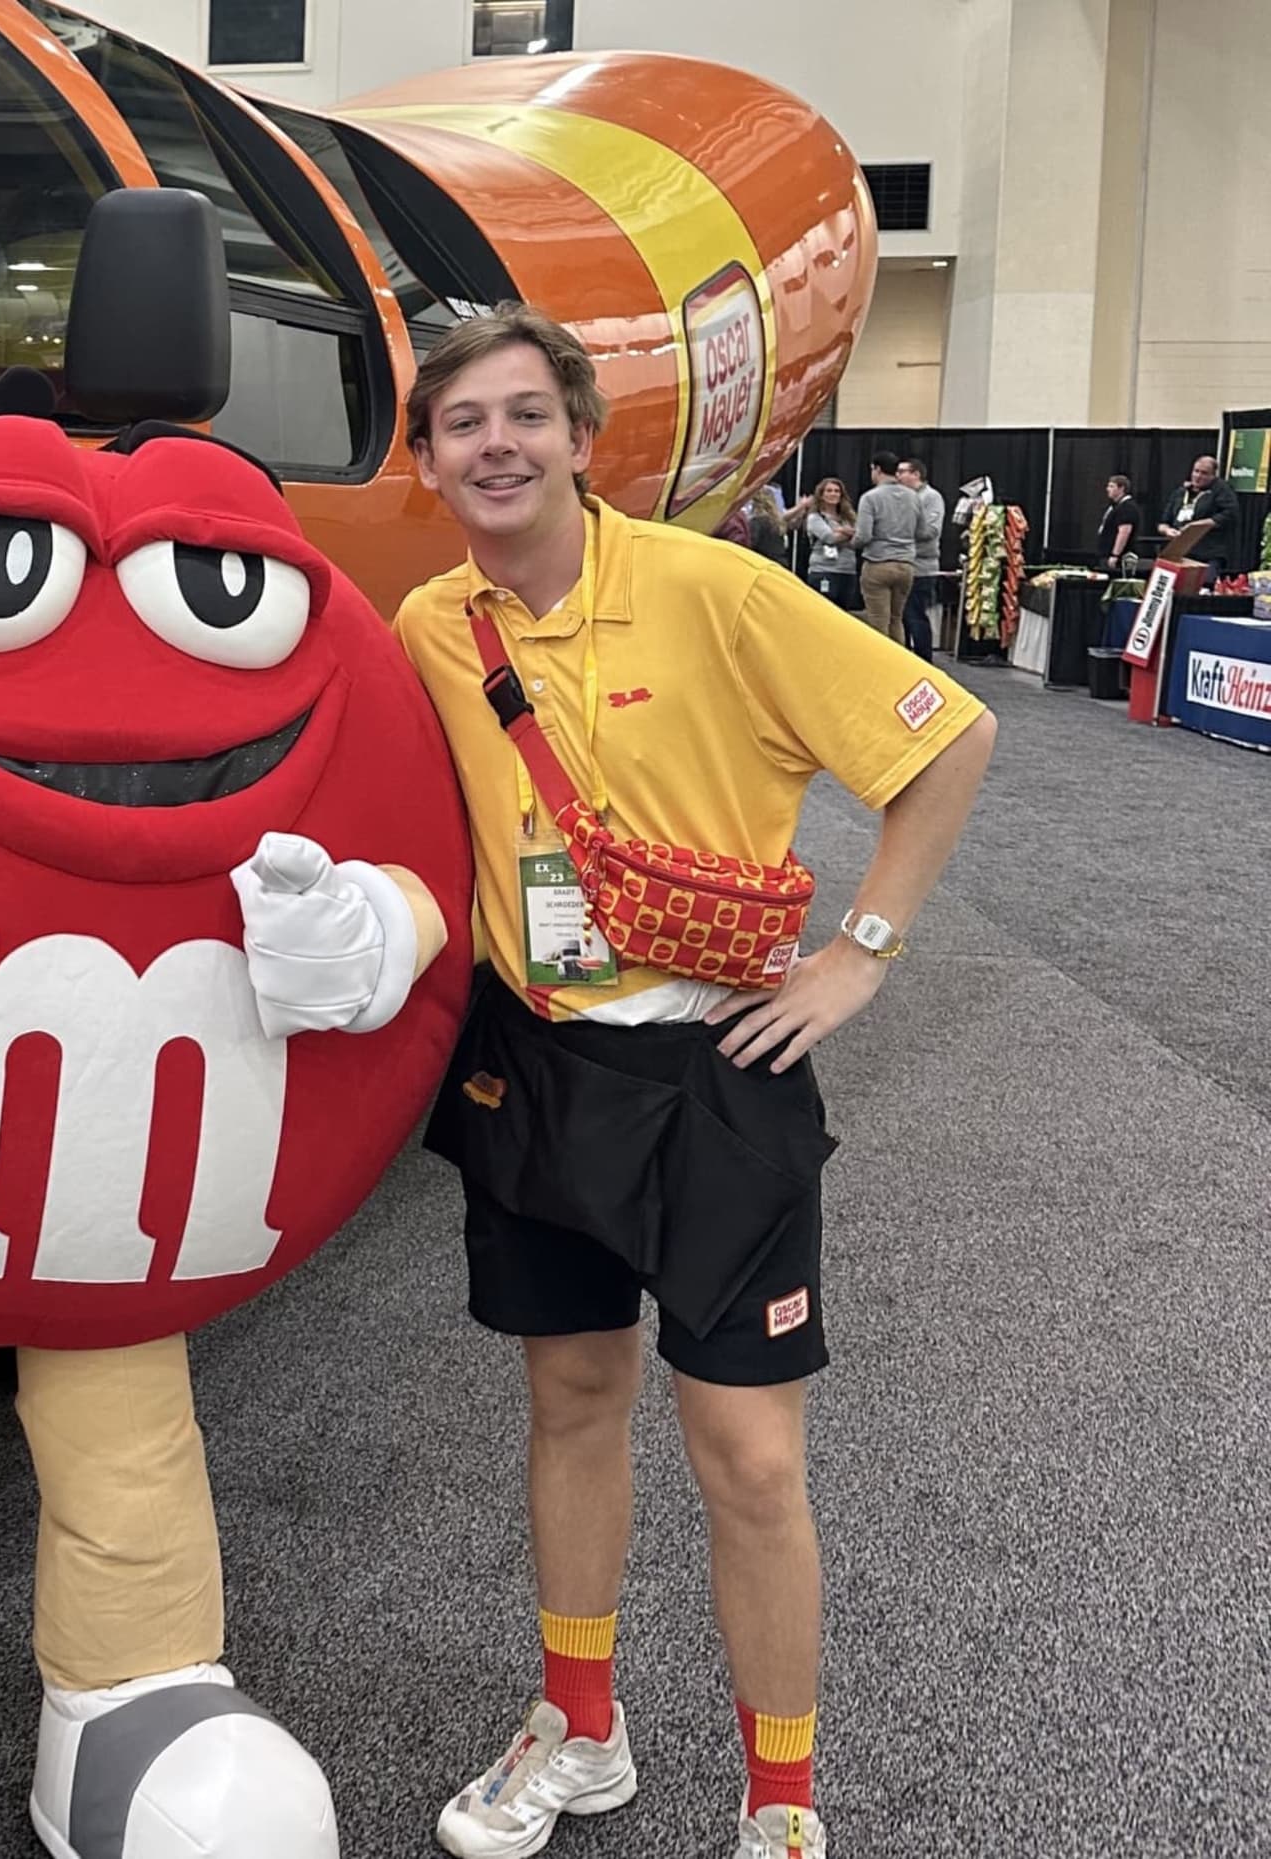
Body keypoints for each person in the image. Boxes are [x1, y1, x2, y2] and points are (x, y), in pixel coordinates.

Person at [391, 305, 997, 1859]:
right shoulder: (429, 630)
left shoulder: (713, 588)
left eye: (529, 414)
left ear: (584, 439)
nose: (500, 444)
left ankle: (781, 1794)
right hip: (534, 1062)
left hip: (723, 1067)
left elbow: (949, 733)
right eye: (466, 423)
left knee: (750, 1450)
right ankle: (581, 1728)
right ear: (431, 459)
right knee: (573, 1397)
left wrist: (861, 949)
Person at [851, 452, 921, 648]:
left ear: (877, 469)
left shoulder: (870, 498)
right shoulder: (913, 496)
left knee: (878, 622)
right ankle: (902, 667)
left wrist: (850, 541)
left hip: (878, 564)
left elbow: (864, 536)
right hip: (906, 565)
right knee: (896, 619)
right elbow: (923, 530)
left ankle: (880, 669)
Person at [893, 458, 945, 661]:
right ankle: (906, 658)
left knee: (916, 615)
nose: (898, 476)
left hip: (922, 567)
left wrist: (897, 532)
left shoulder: (931, 498)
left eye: (902, 471)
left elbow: (931, 531)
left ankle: (924, 660)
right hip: (901, 563)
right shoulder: (902, 497)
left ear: (916, 474)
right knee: (902, 616)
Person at [1167, 454, 1241, 579]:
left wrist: (1199, 525)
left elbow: (1230, 514)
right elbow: (1164, 521)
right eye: (1196, 471)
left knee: (1204, 586)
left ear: (1213, 475)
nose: (1198, 476)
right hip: (1181, 551)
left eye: (1204, 473)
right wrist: (1167, 530)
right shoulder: (1181, 492)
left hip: (1209, 552)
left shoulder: (1221, 490)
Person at [790, 477, 857, 606]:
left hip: (847, 570)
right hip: (823, 569)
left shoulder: (849, 517)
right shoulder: (815, 517)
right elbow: (829, 538)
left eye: (837, 491)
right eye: (829, 491)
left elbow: (860, 536)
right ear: (821, 495)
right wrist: (849, 533)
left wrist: (842, 530)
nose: (833, 494)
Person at [1095, 473, 1143, 574]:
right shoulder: (1116, 506)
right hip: (1106, 554)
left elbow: (1124, 532)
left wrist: (1115, 555)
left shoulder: (1127, 508)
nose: (1108, 489)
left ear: (1121, 488)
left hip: (1118, 558)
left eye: (1112, 486)